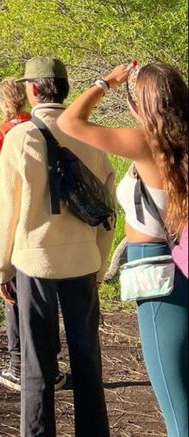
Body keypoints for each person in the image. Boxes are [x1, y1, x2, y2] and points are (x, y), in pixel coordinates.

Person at [58, 62, 188, 437]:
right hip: (183, 259)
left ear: (142, 104)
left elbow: (70, 123)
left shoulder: (146, 143)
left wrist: (106, 83)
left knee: (174, 400)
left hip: (157, 272)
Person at [0, 56, 114, 437]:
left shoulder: (19, 137)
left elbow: (7, 211)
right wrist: (99, 263)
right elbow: (108, 208)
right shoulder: (90, 135)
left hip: (34, 263)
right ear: (64, 89)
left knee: (37, 364)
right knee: (87, 360)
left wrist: (1, 268)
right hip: (82, 260)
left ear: (31, 90)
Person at [0, 78, 69, 393]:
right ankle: (51, 366)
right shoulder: (47, 124)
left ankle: (19, 366)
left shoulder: (3, 133)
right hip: (53, 223)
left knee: (15, 299)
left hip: (19, 227)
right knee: (48, 299)